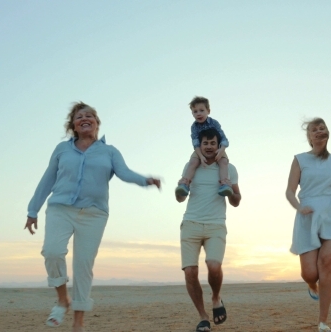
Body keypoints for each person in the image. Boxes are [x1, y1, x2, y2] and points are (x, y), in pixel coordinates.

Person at [24, 102, 161, 332]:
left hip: (94, 214)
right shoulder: (62, 149)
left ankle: (78, 323)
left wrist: (145, 180)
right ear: (74, 125)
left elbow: (124, 172)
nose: (85, 118)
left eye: (90, 116)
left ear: (97, 123)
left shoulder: (109, 151)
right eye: (80, 117)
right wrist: (32, 210)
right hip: (61, 209)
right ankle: (62, 299)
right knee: (52, 251)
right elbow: (47, 179)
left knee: (83, 265)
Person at [285, 118, 331, 332]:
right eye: (314, 129)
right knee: (310, 273)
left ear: (327, 133)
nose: (319, 131)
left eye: (322, 128)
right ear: (309, 137)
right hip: (308, 215)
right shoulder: (300, 159)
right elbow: (289, 191)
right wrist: (298, 207)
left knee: (327, 264)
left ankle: (323, 321)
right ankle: (311, 285)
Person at [175, 128, 241, 332]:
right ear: (200, 146)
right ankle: (203, 317)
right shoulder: (191, 166)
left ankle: (215, 298)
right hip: (191, 224)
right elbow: (180, 198)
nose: (210, 147)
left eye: (213, 143)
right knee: (190, 272)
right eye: (206, 143)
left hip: (216, 224)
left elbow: (237, 201)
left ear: (219, 145)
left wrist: (230, 191)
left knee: (213, 266)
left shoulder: (229, 168)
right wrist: (179, 189)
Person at [175, 96, 233, 198]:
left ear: (208, 111)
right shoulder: (194, 127)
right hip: (199, 149)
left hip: (218, 147)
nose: (198, 113)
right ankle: (185, 183)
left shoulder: (214, 123)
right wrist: (200, 156)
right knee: (193, 162)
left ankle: (224, 184)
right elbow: (196, 143)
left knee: (223, 162)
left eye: (201, 110)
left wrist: (222, 150)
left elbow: (224, 139)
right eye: (195, 111)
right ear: (192, 113)